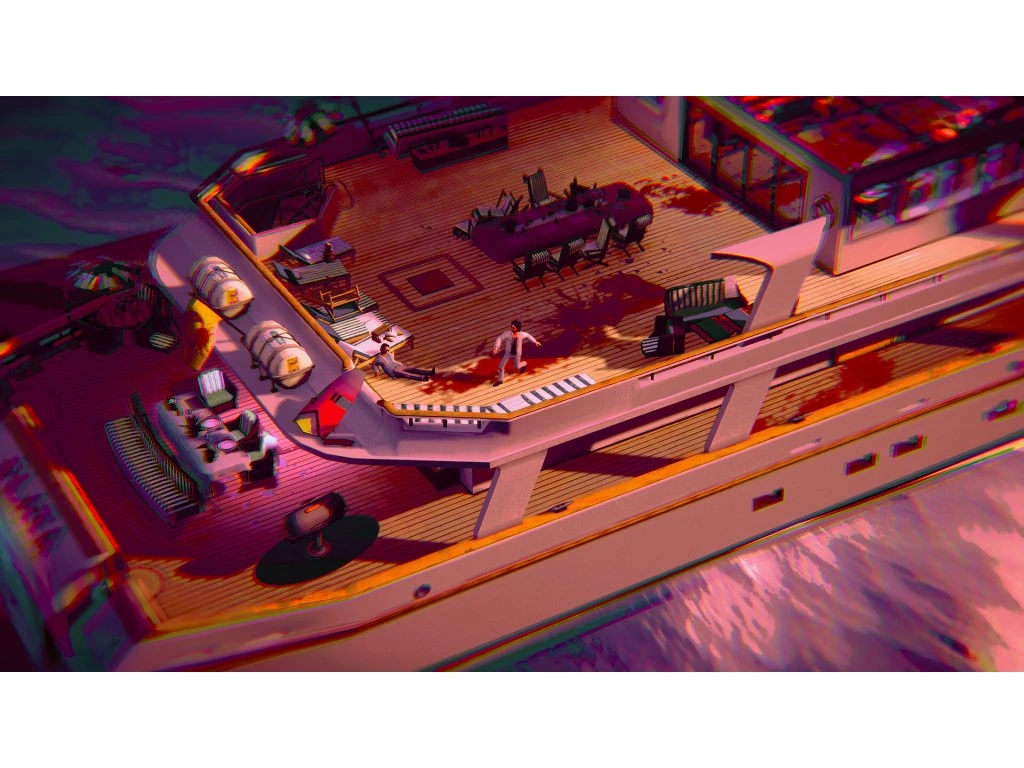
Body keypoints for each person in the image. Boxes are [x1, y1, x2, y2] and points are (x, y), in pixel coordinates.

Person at [492, 319, 540, 386]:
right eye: (511, 327)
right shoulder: (507, 334)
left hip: (517, 354)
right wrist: (496, 347)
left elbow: (528, 335)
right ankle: (500, 380)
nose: (511, 329)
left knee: (517, 367)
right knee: (501, 367)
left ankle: (524, 364)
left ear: (517, 328)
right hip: (508, 354)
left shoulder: (522, 334)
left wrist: (535, 341)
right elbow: (500, 338)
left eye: (513, 328)